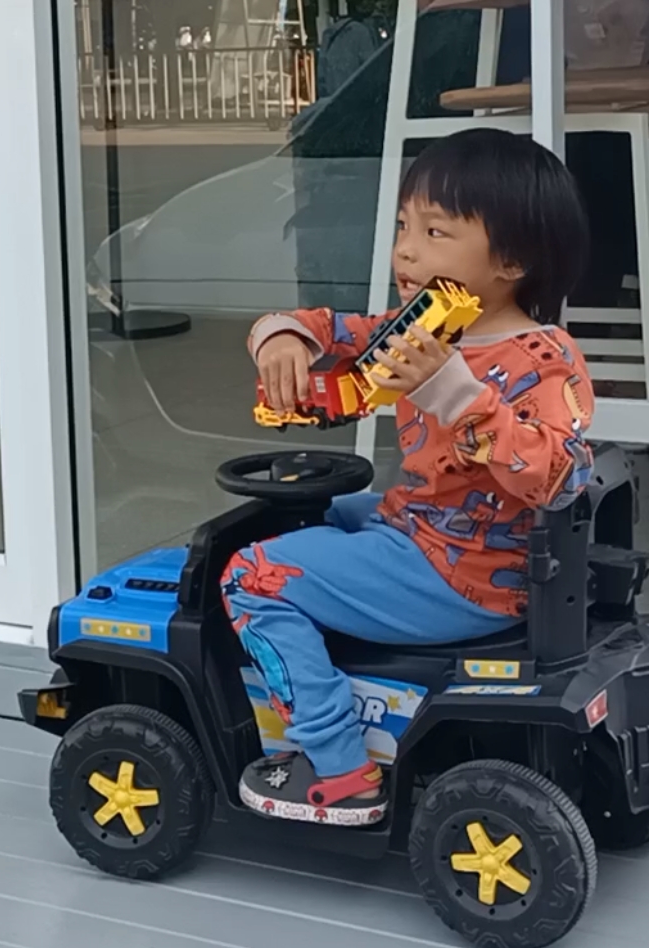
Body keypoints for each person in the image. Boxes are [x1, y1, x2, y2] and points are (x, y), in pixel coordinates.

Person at [223, 128, 593, 824]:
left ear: (511, 260)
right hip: (423, 528)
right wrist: (282, 337)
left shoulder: (544, 360)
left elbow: (559, 479)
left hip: (468, 573)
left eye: (435, 232)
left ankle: (337, 765)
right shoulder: (420, 329)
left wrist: (456, 395)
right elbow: (325, 326)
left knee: (251, 575)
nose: (406, 251)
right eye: (402, 226)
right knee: (312, 514)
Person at [316, 0, 383, 99]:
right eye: (371, 1)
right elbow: (370, 65)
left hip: (332, 96)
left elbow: (322, 66)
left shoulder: (332, 30)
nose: (374, 6)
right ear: (360, 5)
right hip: (355, 96)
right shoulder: (361, 31)